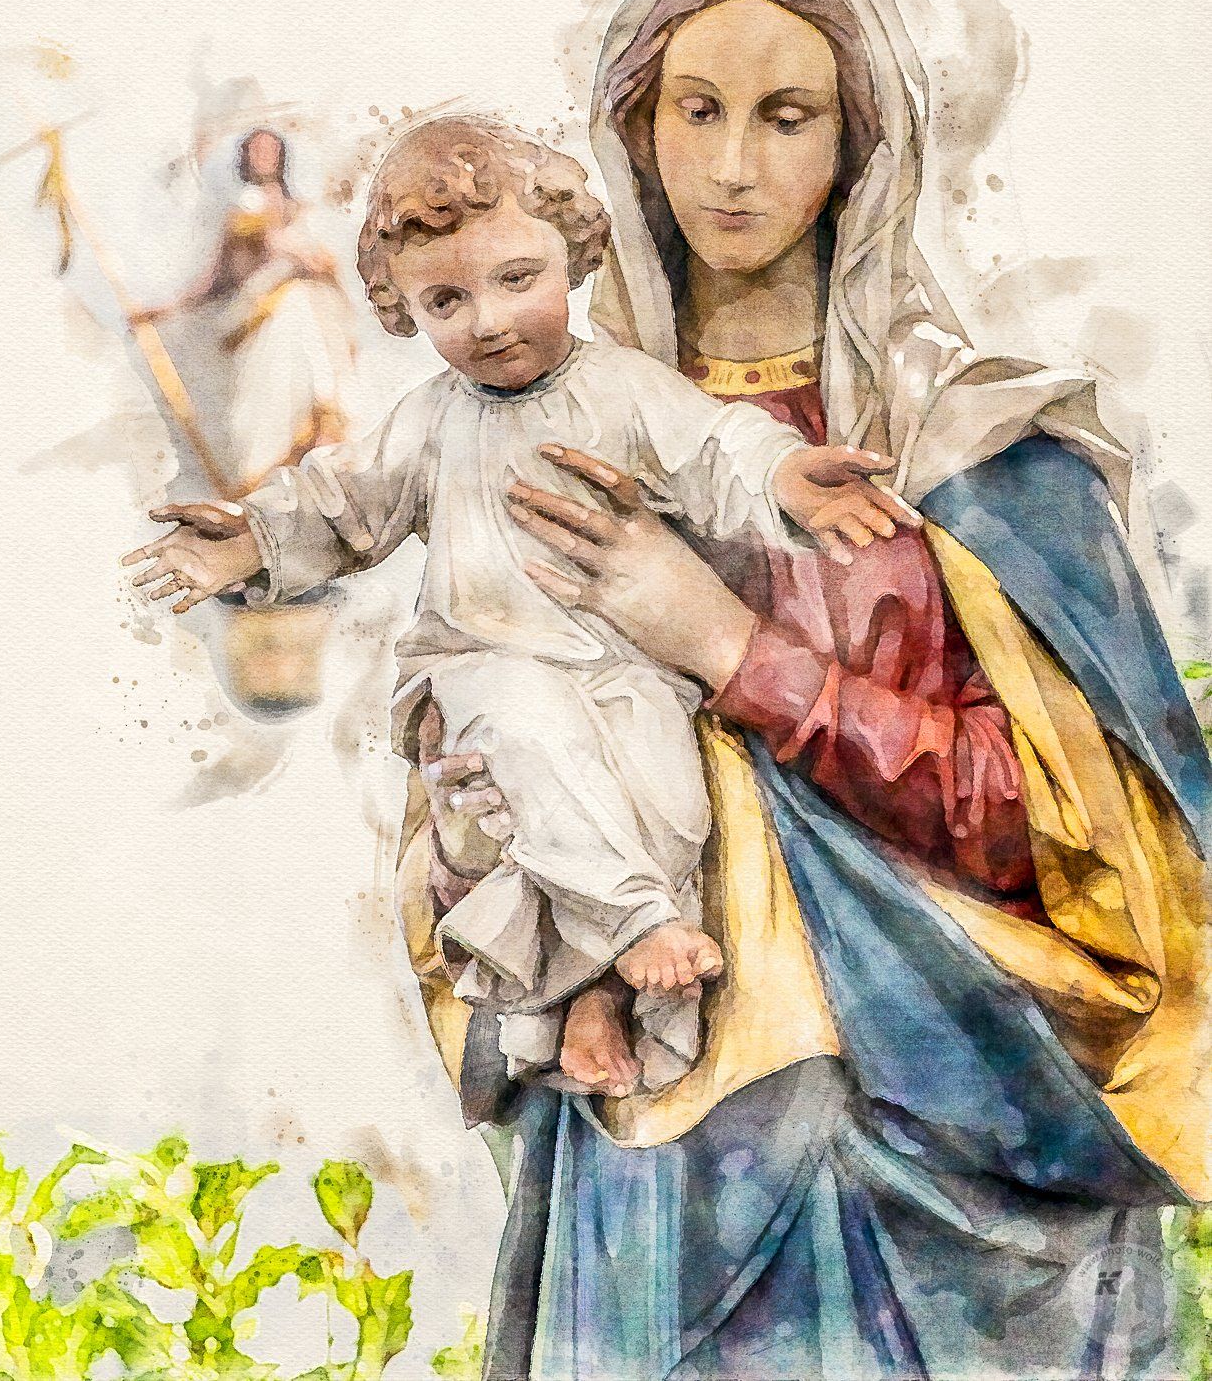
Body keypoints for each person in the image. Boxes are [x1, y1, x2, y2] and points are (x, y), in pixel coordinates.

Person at [400, 0, 1211, 1379]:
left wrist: (724, 649)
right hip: (667, 1156)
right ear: (633, 135)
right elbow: (470, 798)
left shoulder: (976, 452)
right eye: (693, 110)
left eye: (785, 116)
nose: (730, 166)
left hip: (948, 1144)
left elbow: (1082, 845)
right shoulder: (542, 443)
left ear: (857, 146)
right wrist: (463, 826)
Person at [122, 113, 912, 1099]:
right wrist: (249, 543)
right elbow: (339, 505)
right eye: (446, 300)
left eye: (515, 279)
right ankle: (636, 928)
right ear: (406, 308)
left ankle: (591, 1002)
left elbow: (716, 451)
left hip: (622, 666)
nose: (488, 321)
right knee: (533, 749)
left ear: (570, 257)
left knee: (667, 800)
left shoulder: (623, 390)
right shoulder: (430, 421)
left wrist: (787, 476)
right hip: (482, 667)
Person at [135, 117, 357, 494]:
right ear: (244, 157)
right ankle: (262, 477)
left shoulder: (299, 212)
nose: (264, 156)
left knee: (305, 320)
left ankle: (321, 431)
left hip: (300, 315)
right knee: (261, 410)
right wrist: (163, 310)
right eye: (257, 149)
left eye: (271, 149)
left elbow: (328, 269)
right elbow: (213, 280)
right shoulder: (241, 214)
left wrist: (312, 262)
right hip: (257, 323)